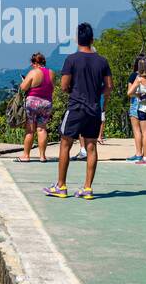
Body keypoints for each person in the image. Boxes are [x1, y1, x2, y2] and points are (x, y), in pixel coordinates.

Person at [44, 22, 112, 200]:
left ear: (77, 40)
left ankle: (61, 185)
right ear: (92, 40)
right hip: (94, 109)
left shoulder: (71, 59)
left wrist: (73, 92)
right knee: (91, 147)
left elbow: (64, 85)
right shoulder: (102, 61)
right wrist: (96, 93)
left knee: (65, 144)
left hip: (75, 108)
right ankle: (87, 188)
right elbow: (109, 86)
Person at [16, 52, 52, 162]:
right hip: (46, 103)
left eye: (32, 63)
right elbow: (51, 87)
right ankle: (42, 156)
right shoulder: (51, 73)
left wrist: (24, 81)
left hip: (33, 102)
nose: (31, 65)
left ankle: (26, 156)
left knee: (30, 130)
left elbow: (23, 87)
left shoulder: (33, 72)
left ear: (35, 63)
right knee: (42, 129)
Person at [126, 56, 146, 165]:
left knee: (144, 133)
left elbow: (129, 93)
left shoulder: (138, 78)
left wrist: (138, 94)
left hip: (142, 108)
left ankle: (144, 157)